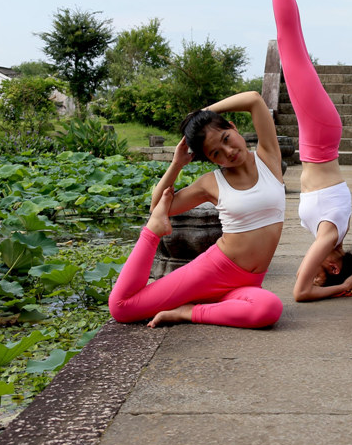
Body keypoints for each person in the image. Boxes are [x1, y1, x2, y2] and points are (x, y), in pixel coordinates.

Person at [235, 0, 352, 302]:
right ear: (335, 266)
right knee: (290, 41)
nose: (316, 274)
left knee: (294, 43)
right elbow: (300, 293)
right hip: (320, 137)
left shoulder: (335, 234)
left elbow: (311, 283)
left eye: (321, 276)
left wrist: (341, 284)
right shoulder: (329, 236)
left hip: (319, 139)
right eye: (326, 275)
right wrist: (339, 288)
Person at [108, 91, 285, 329]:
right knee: (122, 307)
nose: (228, 152)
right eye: (216, 154)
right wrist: (177, 164)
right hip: (213, 272)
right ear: (212, 160)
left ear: (233, 127)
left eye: (226, 138)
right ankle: (152, 233)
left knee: (269, 309)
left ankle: (187, 312)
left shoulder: (268, 158)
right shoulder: (211, 183)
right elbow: (158, 206)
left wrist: (204, 113)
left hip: (249, 283)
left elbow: (254, 99)